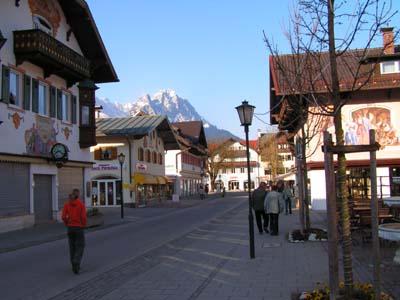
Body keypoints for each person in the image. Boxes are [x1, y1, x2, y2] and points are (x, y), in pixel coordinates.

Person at [62, 189, 87, 274]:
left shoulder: (66, 205)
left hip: (70, 228)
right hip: (79, 228)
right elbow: (83, 217)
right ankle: (76, 261)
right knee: (80, 246)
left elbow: (63, 217)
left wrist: (67, 224)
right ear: (78, 195)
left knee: (72, 247)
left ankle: (74, 265)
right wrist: (83, 225)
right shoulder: (81, 204)